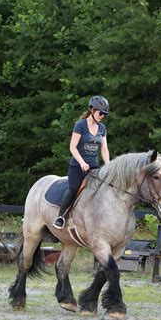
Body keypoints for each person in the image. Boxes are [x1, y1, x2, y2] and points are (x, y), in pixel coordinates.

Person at [53, 95, 110, 229]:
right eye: (101, 113)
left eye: (105, 114)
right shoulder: (80, 125)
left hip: (94, 167)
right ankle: (60, 216)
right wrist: (82, 163)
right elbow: (72, 147)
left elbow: (104, 149)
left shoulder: (102, 128)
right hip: (78, 166)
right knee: (73, 188)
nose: (102, 116)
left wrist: (108, 166)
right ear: (91, 110)